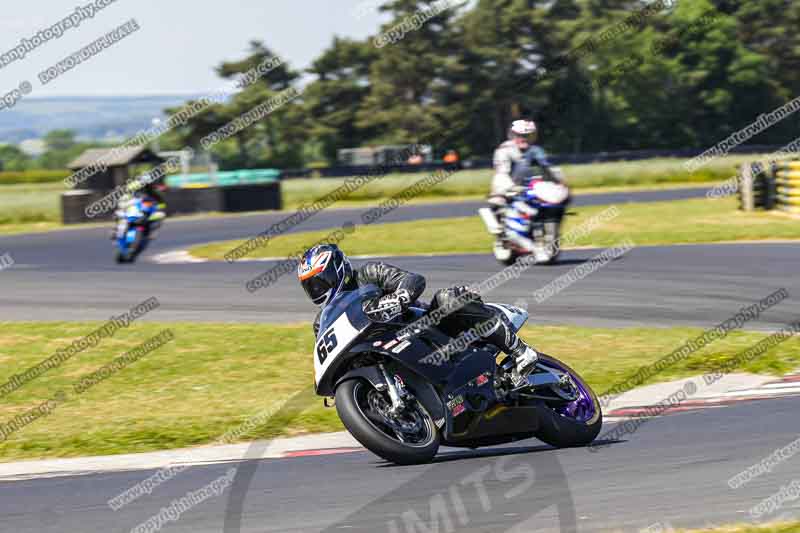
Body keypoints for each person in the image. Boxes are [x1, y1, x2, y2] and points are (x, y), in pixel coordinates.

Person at [298, 243, 540, 385]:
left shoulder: (369, 274)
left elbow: (412, 279)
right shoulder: (321, 321)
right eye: (311, 287)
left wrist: (401, 295)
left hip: (428, 326)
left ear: (337, 269)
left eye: (320, 282)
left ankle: (520, 352)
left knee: (448, 298)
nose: (318, 290)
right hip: (386, 351)